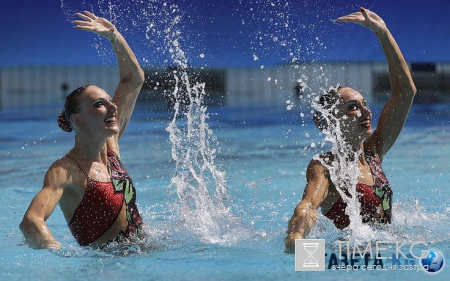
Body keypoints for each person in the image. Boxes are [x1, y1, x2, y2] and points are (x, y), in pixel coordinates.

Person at [285, 8, 416, 250]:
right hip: (349, 261)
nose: (366, 111)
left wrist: (383, 32)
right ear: (327, 121)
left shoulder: (374, 151)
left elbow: (405, 92)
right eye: (353, 107)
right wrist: (298, 246)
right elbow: (308, 207)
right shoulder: (326, 167)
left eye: (365, 104)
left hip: (383, 256)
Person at [19, 11, 145, 249]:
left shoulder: (111, 147)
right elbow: (31, 222)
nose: (113, 106)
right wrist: (61, 255)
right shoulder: (65, 171)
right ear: (77, 120)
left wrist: (114, 37)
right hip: (108, 270)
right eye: (100, 104)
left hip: (145, 254)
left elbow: (133, 80)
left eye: (110, 100)